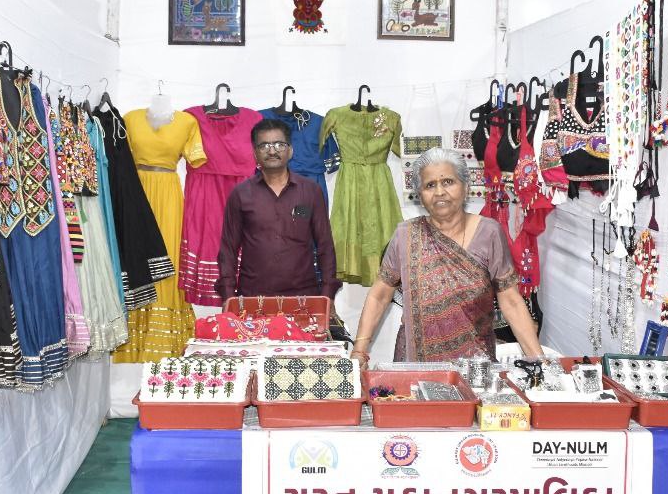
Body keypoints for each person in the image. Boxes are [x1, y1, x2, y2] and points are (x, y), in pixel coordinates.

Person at [352, 148, 544, 363]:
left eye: (448, 182)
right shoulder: (405, 234)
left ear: (465, 187)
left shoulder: (489, 232)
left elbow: (511, 300)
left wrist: (539, 361)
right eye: (429, 185)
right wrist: (359, 350)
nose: (439, 192)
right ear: (420, 195)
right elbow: (379, 295)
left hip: (475, 367)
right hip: (416, 366)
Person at [216, 118, 340, 301]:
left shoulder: (311, 191)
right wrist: (228, 296)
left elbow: (325, 245)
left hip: (303, 297)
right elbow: (228, 249)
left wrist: (327, 294)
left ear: (290, 151)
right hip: (253, 298)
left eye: (279, 144)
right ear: (255, 153)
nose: (272, 151)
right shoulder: (241, 194)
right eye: (264, 145)